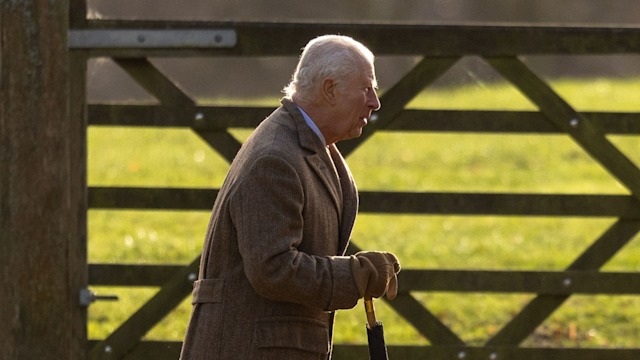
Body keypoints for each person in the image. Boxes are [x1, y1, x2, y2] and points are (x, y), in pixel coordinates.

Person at [180, 34, 401, 360]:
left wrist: (356, 273)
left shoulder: (307, 145)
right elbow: (273, 269)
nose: (375, 102)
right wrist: (354, 276)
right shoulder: (275, 158)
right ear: (330, 90)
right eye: (366, 89)